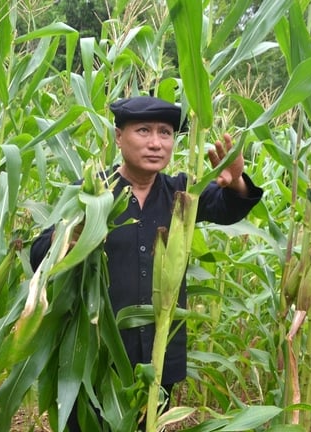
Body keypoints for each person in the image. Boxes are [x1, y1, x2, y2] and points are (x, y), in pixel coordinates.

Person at [29, 95, 263, 431]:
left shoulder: (182, 194)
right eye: (143, 130)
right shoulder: (94, 193)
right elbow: (39, 253)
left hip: (157, 358)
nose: (156, 143)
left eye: (166, 133)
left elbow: (229, 206)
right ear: (118, 137)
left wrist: (237, 180)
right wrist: (68, 239)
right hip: (94, 357)